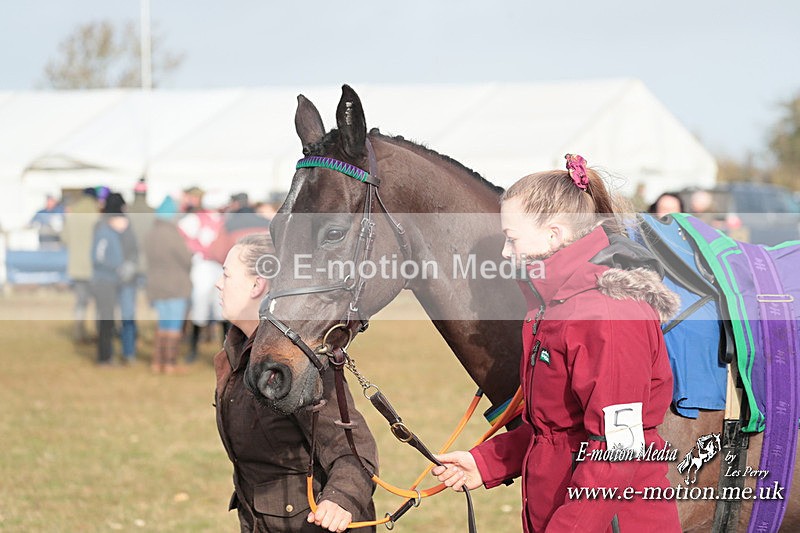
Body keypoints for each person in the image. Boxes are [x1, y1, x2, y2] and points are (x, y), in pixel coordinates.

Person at [433, 155, 681, 532]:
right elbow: (554, 432)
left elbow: (620, 448)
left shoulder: (607, 316)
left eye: (511, 238)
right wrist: (486, 463)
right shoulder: (552, 308)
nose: (504, 251)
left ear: (554, 235)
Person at [214, 234, 378, 532]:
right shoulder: (234, 352)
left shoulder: (296, 362)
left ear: (257, 284)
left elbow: (355, 452)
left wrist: (341, 500)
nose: (218, 283)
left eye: (226, 274)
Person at [144, 196, 192, 374]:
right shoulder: (173, 234)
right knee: (173, 325)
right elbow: (186, 259)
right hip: (175, 285)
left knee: (162, 324)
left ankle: (157, 362)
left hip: (156, 284)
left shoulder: (151, 233)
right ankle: (170, 363)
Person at [91, 192, 139, 364]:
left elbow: (134, 249)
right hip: (107, 281)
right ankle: (106, 356)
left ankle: (127, 353)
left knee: (126, 317)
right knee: (107, 319)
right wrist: (117, 267)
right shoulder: (102, 229)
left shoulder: (126, 227)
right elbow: (99, 257)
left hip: (124, 280)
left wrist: (130, 265)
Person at [62, 187, 99, 342]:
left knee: (80, 302)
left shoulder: (72, 214)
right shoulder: (97, 215)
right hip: (96, 266)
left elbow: (64, 239)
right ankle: (100, 333)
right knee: (99, 302)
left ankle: (79, 332)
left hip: (77, 266)